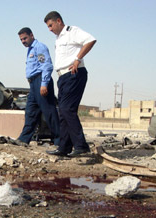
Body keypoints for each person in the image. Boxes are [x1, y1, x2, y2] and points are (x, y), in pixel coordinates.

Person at [44, 11, 96, 157]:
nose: (50, 29)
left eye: (50, 25)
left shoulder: (72, 31)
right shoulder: (58, 39)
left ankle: (81, 146)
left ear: (59, 21)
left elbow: (91, 40)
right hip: (63, 77)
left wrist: (77, 59)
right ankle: (64, 148)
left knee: (67, 109)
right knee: (63, 112)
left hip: (74, 74)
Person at [16, 27, 60, 146]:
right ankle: (23, 139)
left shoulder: (39, 47)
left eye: (25, 38)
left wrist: (44, 84)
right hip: (33, 84)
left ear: (31, 35)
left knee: (49, 111)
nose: (23, 41)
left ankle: (59, 140)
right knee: (30, 111)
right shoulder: (30, 49)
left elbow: (46, 65)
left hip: (40, 81)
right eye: (21, 40)